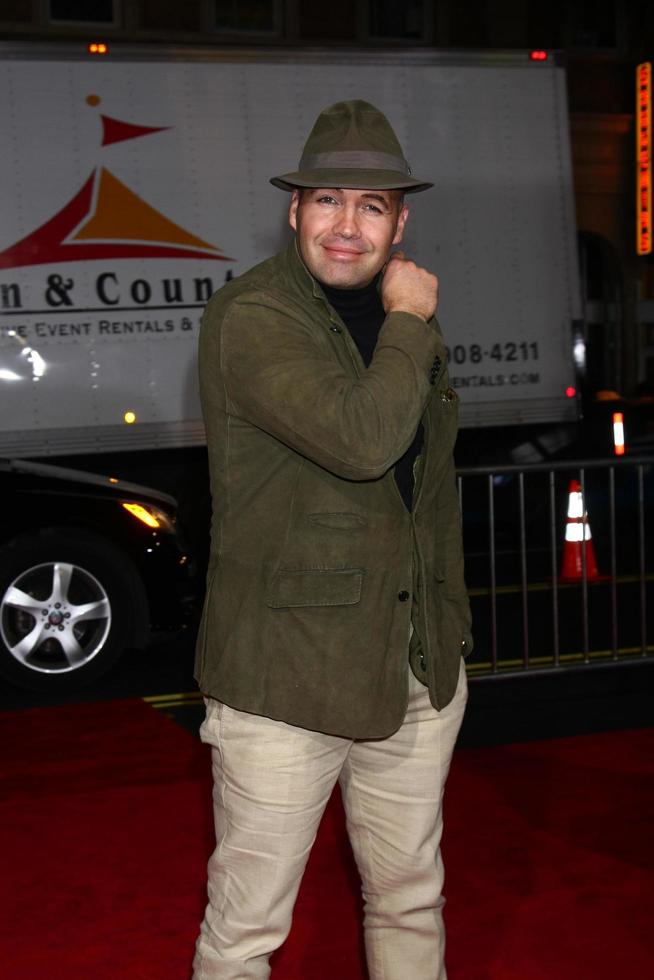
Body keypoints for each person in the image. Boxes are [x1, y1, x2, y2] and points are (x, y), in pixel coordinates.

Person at [193, 99, 472, 980]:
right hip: (285, 681)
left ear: (400, 221)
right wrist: (409, 323)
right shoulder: (254, 317)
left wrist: (449, 635)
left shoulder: (402, 324)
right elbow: (362, 441)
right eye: (327, 201)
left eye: (372, 205)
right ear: (293, 210)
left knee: (409, 899)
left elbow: (425, 491)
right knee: (244, 937)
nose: (347, 225)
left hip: (413, 671)